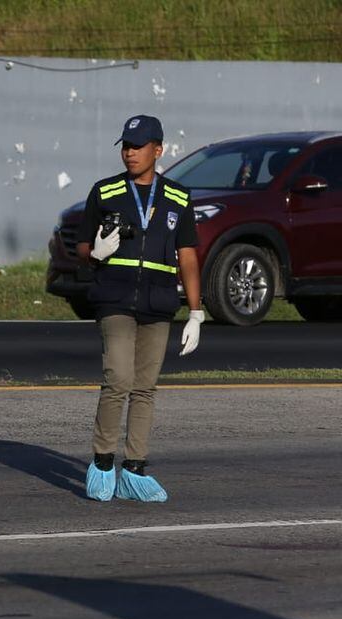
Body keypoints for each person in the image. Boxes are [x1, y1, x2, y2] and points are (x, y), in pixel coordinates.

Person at [76, 114, 203, 502]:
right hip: (114, 298)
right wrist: (95, 252)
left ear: (158, 150)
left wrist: (196, 312)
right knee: (118, 378)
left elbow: (188, 257)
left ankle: (134, 468)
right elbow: (81, 247)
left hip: (159, 302)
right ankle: (101, 463)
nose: (129, 153)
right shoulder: (105, 191)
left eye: (138, 146)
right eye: (126, 146)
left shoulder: (178, 198)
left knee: (145, 388)